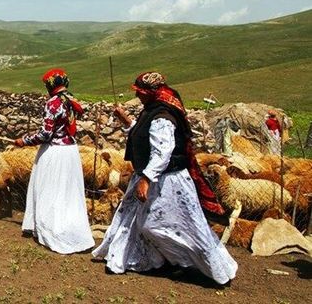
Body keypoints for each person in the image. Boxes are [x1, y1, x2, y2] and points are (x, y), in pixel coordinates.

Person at [92, 71, 237, 285]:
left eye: (141, 92)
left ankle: (197, 265)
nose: (138, 96)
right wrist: (126, 121)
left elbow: (162, 151)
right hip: (154, 177)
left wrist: (146, 179)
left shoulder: (163, 117)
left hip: (168, 182)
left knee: (160, 225)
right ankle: (162, 260)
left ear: (151, 93)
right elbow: (145, 136)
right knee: (140, 222)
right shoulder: (152, 111)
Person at [14, 68, 95, 254]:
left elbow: (45, 134)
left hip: (55, 153)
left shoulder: (53, 103)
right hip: (71, 152)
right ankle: (74, 231)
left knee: (50, 190)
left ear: (50, 85)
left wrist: (24, 141)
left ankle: (53, 230)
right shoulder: (72, 100)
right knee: (68, 192)